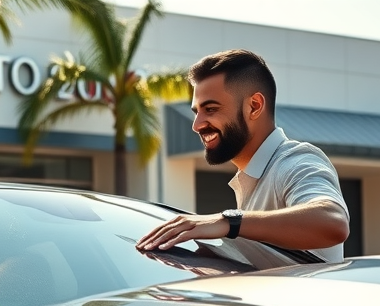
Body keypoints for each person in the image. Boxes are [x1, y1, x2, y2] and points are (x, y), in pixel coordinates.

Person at [136, 49, 350, 262]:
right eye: (197, 112)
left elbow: (333, 222)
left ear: (254, 106)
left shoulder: (295, 161)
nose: (197, 125)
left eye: (211, 109)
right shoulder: (252, 178)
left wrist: (228, 221)